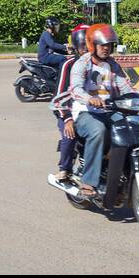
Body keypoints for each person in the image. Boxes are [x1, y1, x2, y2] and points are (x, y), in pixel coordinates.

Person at [68, 25, 139, 197]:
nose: (107, 48)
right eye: (102, 44)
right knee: (98, 130)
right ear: (92, 44)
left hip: (109, 110)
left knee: (134, 126)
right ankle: (88, 182)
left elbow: (126, 87)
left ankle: (127, 170)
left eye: (109, 44)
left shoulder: (112, 65)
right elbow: (75, 89)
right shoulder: (83, 64)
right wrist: (89, 98)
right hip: (86, 112)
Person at [50, 25, 91, 183]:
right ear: (76, 47)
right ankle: (65, 169)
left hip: (90, 111)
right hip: (67, 110)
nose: (86, 50)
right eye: (83, 46)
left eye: (88, 45)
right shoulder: (69, 65)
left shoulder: (98, 64)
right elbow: (60, 96)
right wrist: (67, 118)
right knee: (70, 133)